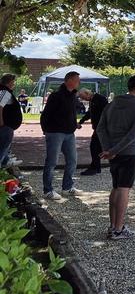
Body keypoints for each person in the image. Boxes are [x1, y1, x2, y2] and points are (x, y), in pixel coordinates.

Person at [96, 73, 135, 240]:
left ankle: (113, 226)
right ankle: (119, 229)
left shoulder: (112, 104)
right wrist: (114, 150)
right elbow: (133, 134)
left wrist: (109, 149)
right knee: (124, 189)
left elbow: (100, 128)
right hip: (129, 152)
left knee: (116, 187)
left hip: (113, 151)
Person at [40, 70, 81, 200]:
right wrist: (45, 129)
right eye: (77, 80)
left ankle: (67, 187)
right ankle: (48, 190)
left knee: (72, 160)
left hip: (69, 133)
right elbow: (46, 114)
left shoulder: (73, 96)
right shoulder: (56, 95)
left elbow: (71, 113)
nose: (79, 82)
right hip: (55, 132)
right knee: (52, 161)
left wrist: (75, 124)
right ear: (69, 80)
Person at [77, 88, 109, 175]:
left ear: (88, 93)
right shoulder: (93, 100)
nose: (83, 99)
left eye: (83, 97)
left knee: (94, 147)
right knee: (96, 148)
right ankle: (96, 167)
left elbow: (106, 113)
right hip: (98, 128)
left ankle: (95, 167)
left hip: (102, 128)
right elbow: (89, 113)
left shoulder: (100, 99)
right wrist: (81, 121)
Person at [0, 74, 23, 170]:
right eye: (13, 82)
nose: (14, 84)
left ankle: (6, 160)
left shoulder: (3, 91)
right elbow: (0, 107)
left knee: (5, 146)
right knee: (3, 147)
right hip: (6, 125)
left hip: (7, 125)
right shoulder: (5, 92)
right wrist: (1, 122)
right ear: (9, 82)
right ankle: (3, 163)